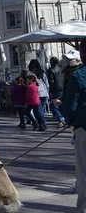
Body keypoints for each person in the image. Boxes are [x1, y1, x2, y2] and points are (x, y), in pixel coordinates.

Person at [63, 38, 86, 213]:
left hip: (84, 127)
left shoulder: (78, 75)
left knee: (84, 174)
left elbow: (70, 105)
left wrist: (70, 121)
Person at [28, 59, 49, 131]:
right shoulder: (42, 72)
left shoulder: (30, 74)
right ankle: (42, 124)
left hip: (37, 93)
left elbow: (29, 84)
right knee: (41, 110)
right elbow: (47, 83)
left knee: (37, 111)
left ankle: (43, 124)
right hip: (44, 92)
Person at [48, 56, 66, 127]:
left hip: (56, 89)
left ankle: (60, 118)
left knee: (54, 104)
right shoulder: (61, 69)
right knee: (61, 104)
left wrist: (51, 91)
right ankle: (63, 118)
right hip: (62, 88)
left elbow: (51, 82)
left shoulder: (51, 70)